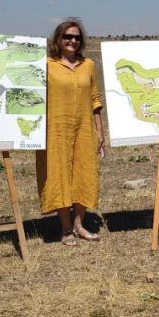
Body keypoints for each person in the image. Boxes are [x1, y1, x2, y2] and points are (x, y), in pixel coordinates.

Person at [36, 18, 105, 247]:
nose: (72, 40)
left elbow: (95, 99)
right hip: (55, 130)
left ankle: (79, 224)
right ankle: (65, 228)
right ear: (58, 39)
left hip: (84, 128)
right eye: (67, 36)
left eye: (76, 37)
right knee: (58, 174)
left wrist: (99, 130)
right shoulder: (46, 64)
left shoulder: (88, 65)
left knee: (84, 172)